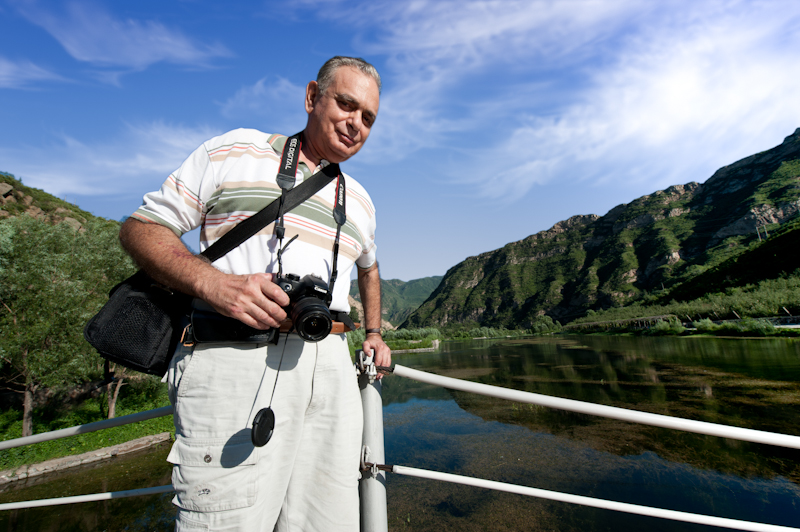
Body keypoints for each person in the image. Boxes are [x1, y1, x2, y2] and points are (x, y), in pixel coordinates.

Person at [119, 56, 391, 531]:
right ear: (311, 97)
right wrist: (215, 283)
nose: (356, 124)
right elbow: (142, 230)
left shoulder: (362, 201)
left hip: (329, 365)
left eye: (368, 117)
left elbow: (370, 268)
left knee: (329, 521)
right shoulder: (233, 152)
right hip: (232, 355)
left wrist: (373, 331)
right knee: (227, 520)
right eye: (346, 105)